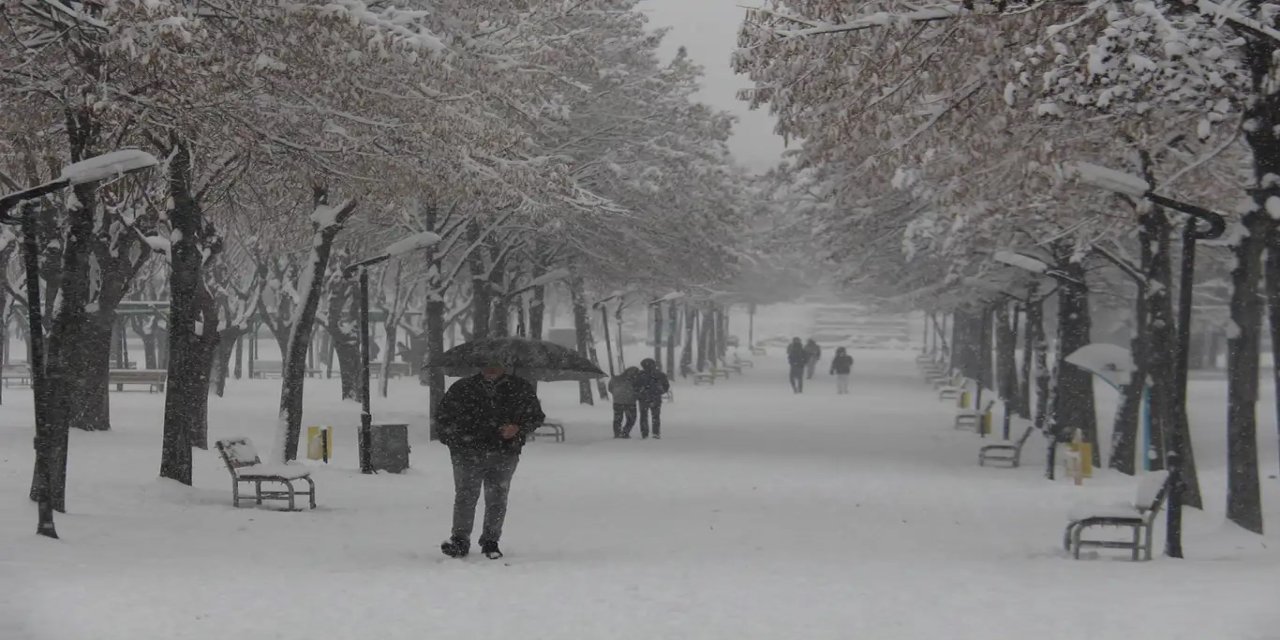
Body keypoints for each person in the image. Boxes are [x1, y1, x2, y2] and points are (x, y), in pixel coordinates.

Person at [435, 359, 544, 560]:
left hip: (505, 452)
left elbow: (536, 416)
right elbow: (443, 419)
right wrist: (457, 443)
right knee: (466, 496)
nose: (491, 368)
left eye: (497, 363)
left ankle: (491, 540)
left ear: (506, 365)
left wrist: (518, 429)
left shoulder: (520, 388)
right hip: (467, 453)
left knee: (497, 497)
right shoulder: (462, 388)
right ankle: (460, 540)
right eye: (487, 363)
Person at [632, 358, 670, 439]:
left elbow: (634, 386)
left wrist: (639, 392)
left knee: (643, 416)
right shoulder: (660, 375)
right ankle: (655, 433)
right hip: (655, 398)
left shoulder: (639, 375)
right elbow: (666, 386)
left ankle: (644, 433)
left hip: (643, 398)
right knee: (655, 416)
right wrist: (660, 391)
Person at [608, 367, 639, 438]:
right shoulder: (635, 380)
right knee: (631, 419)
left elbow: (610, 389)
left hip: (618, 401)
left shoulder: (615, 379)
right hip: (630, 402)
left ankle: (617, 433)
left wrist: (616, 394)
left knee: (617, 419)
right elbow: (638, 390)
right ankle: (625, 432)